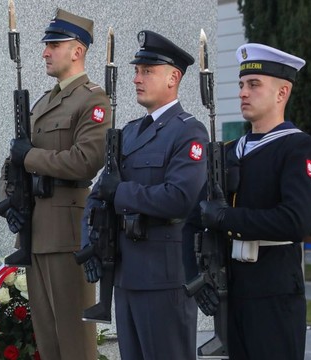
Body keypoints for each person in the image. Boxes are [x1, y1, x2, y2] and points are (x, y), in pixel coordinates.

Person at [83, 30, 207, 360]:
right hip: (125, 276)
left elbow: (180, 197)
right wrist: (90, 242)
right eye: (137, 70)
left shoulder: (189, 132)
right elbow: (97, 196)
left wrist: (121, 192)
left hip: (164, 279)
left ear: (173, 77)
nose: (137, 78)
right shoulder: (129, 132)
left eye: (147, 71)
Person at [199, 43, 311, 360]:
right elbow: (197, 217)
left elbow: (296, 221)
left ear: (282, 94)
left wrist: (227, 219)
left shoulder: (298, 148)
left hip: (274, 292)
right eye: (241, 85)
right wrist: (196, 277)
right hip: (232, 291)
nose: (242, 92)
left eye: (253, 85)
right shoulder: (227, 153)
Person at [3, 9, 110, 359]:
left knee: (75, 345)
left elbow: (86, 160)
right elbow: (13, 161)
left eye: (54, 44)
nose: (45, 51)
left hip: (69, 236)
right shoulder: (44, 102)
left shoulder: (93, 100)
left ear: (77, 50)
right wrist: (11, 200)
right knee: (48, 344)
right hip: (35, 233)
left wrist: (29, 157)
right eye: (46, 45)